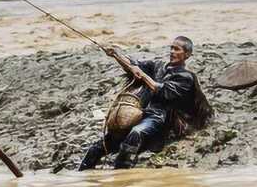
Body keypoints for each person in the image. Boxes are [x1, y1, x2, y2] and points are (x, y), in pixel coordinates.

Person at [78, 36, 213, 171]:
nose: (172, 51)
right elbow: (134, 66)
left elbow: (161, 90)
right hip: (141, 112)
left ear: (187, 55)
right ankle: (82, 173)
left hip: (160, 117)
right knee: (99, 146)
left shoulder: (186, 77)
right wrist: (116, 55)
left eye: (177, 49)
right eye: (171, 48)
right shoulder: (158, 66)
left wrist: (142, 75)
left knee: (136, 132)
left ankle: (120, 173)